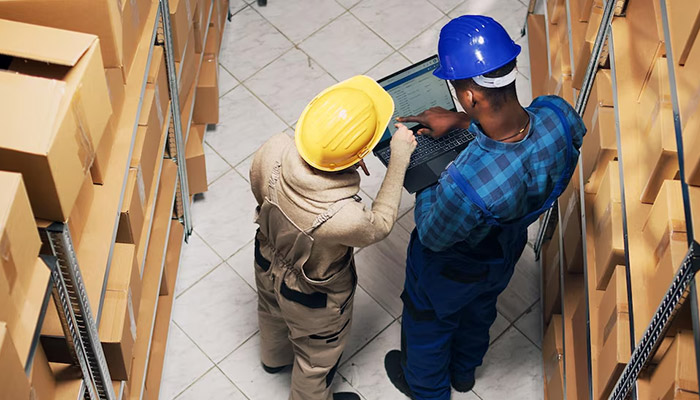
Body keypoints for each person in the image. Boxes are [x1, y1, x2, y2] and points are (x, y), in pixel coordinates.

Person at [383, 15, 587, 400]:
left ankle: (427, 389)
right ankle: (463, 373)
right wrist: (461, 122)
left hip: (454, 269)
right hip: (504, 249)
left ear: (472, 95)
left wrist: (420, 168)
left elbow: (432, 235)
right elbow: (520, 132)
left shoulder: (465, 185)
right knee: (480, 310)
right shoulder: (559, 115)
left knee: (428, 322)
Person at [249, 75, 417, 400]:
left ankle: (273, 359)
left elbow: (260, 192)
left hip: (266, 256)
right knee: (315, 361)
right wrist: (399, 159)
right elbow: (380, 224)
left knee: (269, 308)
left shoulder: (273, 148)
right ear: (357, 159)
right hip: (310, 299)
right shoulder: (344, 216)